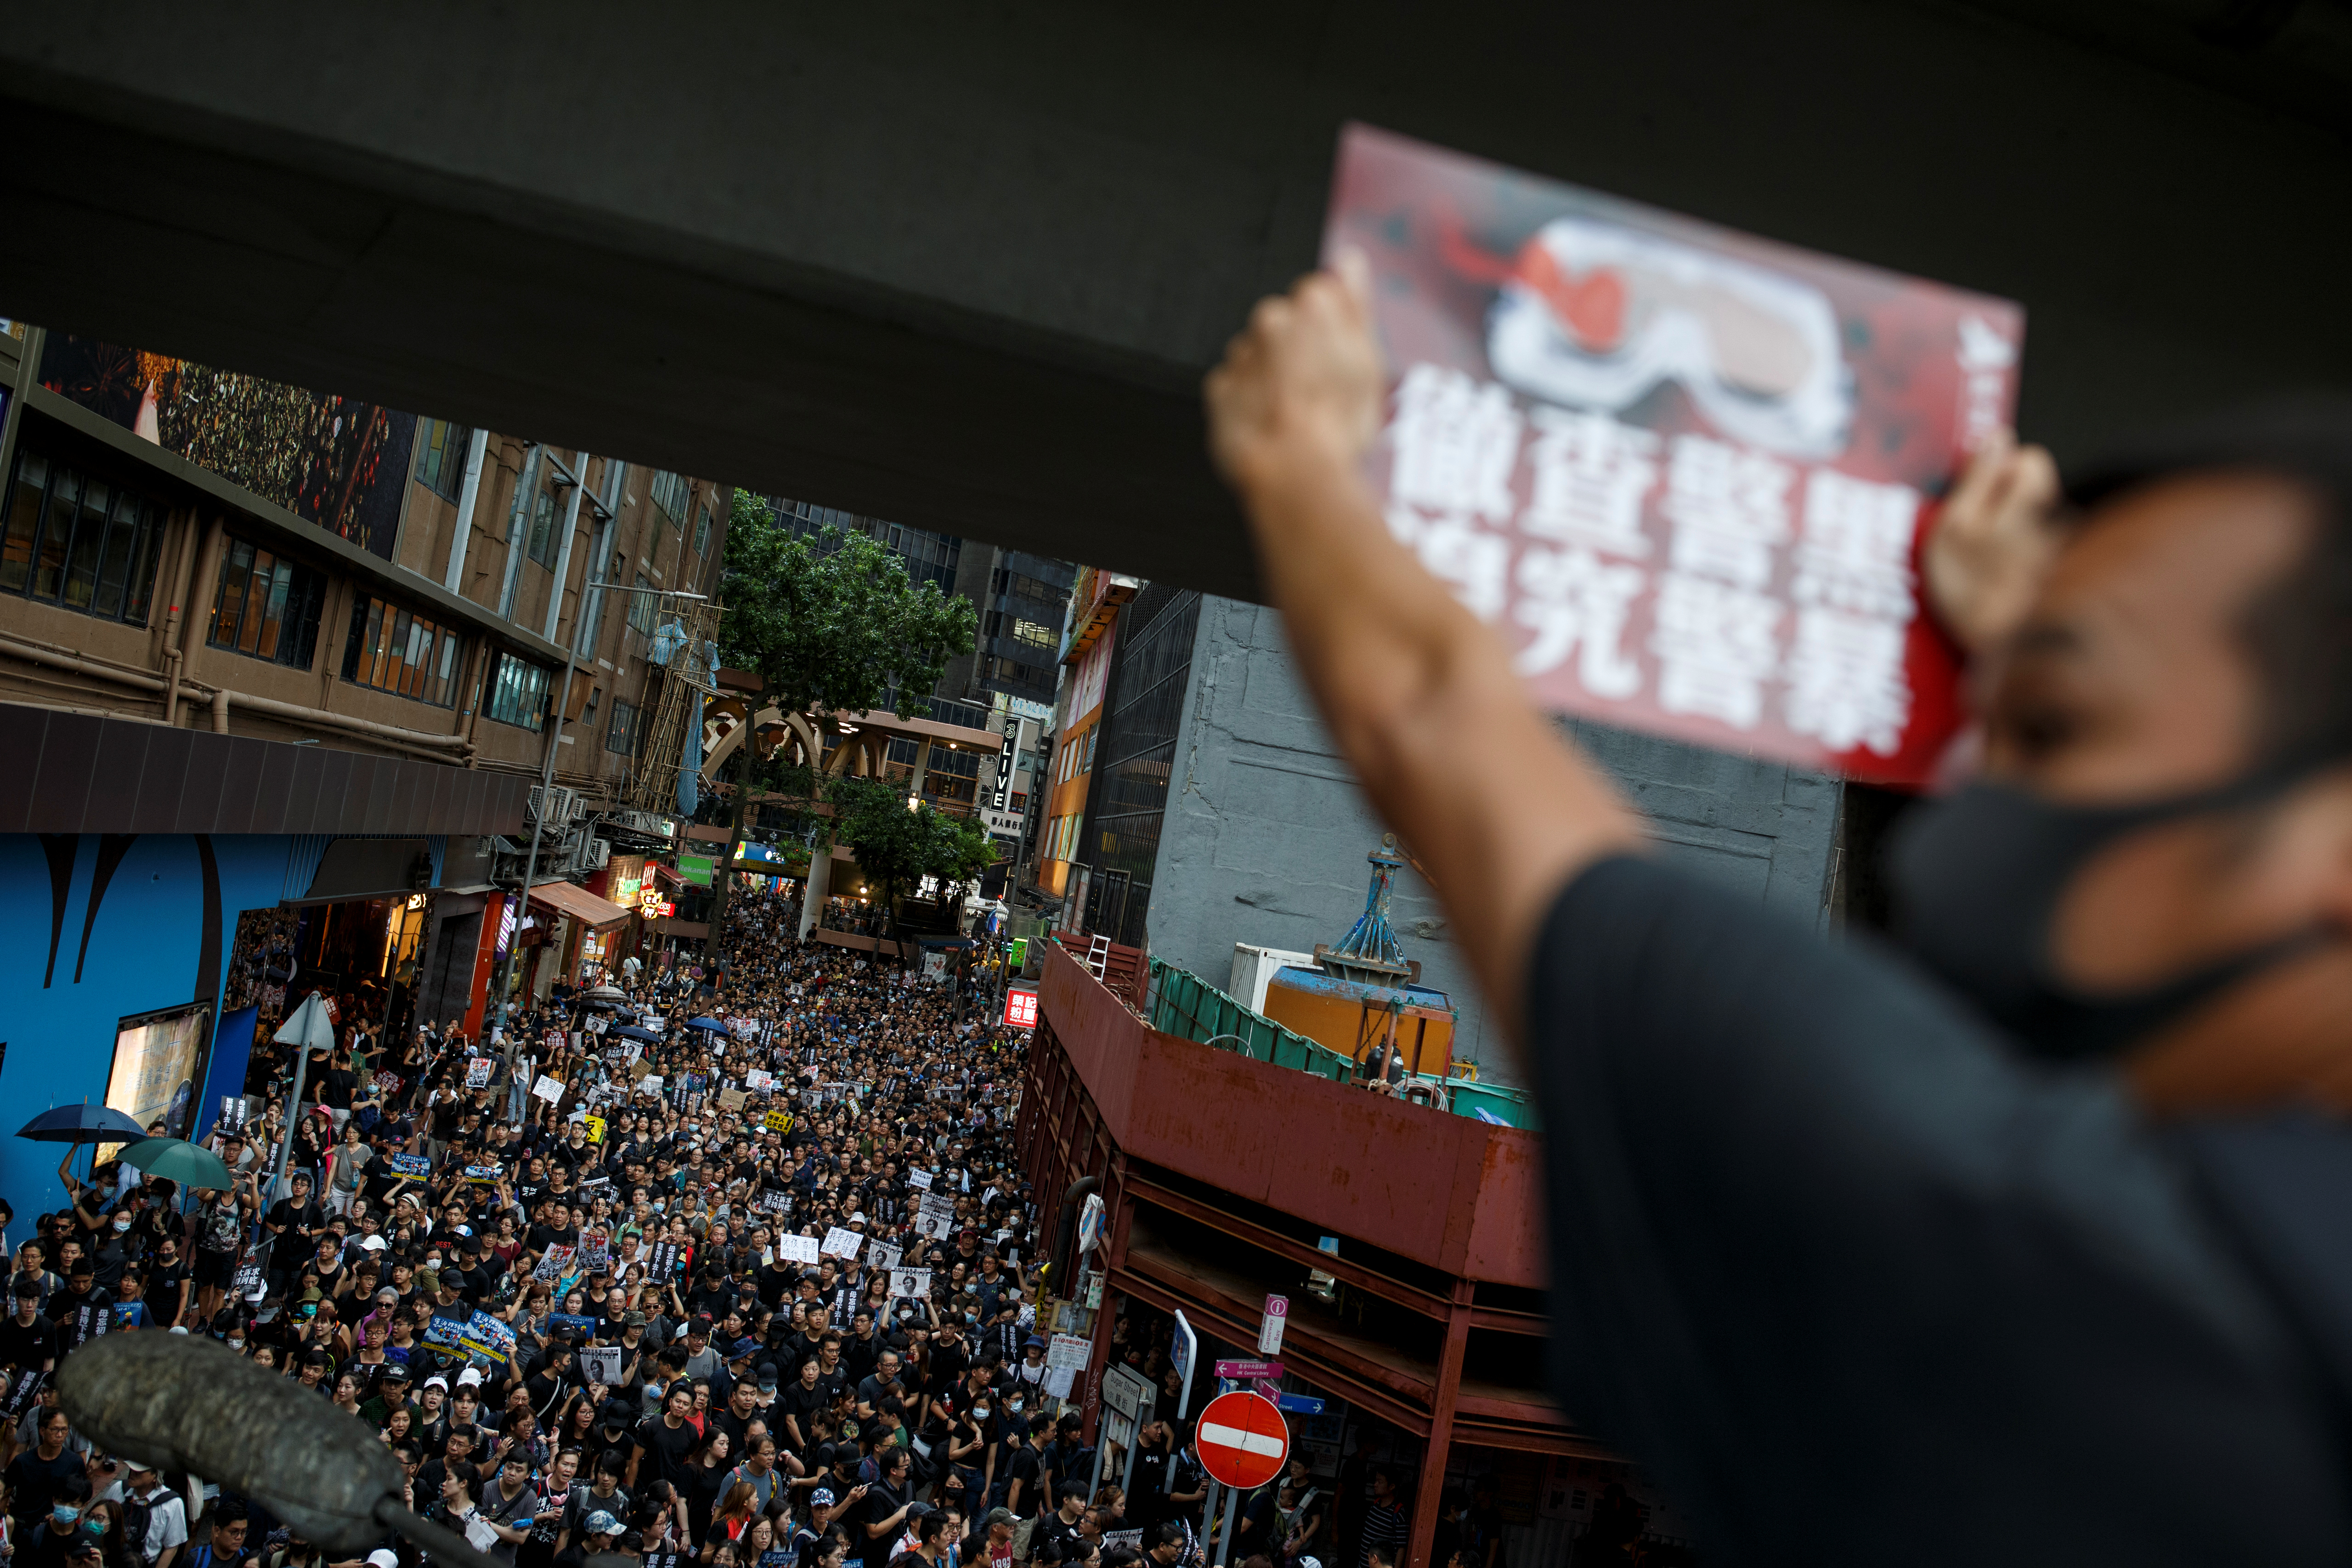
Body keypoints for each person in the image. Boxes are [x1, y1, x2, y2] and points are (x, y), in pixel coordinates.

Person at [1204, 251, 2352, 1555]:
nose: (1979, 828)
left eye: (2055, 727)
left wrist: (1302, 459)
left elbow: (1430, 713)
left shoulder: (2059, 1288)